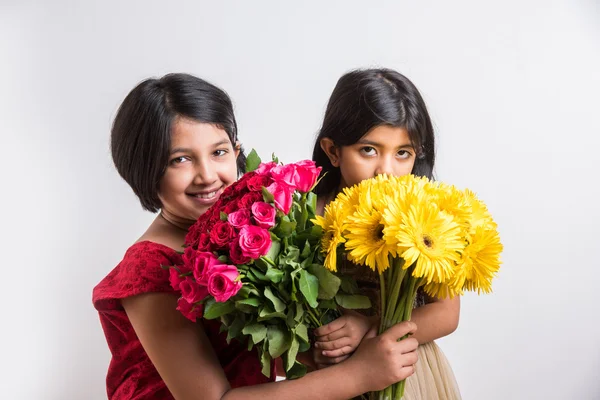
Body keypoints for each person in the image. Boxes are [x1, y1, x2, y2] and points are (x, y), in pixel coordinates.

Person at [93, 72, 420, 400]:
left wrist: (312, 353)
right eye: (180, 159)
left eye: (218, 152)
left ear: (236, 151)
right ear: (144, 168)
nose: (207, 175)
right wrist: (359, 375)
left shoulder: (234, 233)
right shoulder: (150, 267)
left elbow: (243, 352)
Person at [310, 68, 462, 399]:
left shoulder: (424, 215)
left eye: (402, 153)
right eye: (369, 150)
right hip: (327, 377)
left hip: (407, 370)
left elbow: (447, 313)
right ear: (333, 150)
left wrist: (371, 327)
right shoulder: (309, 213)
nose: (386, 171)